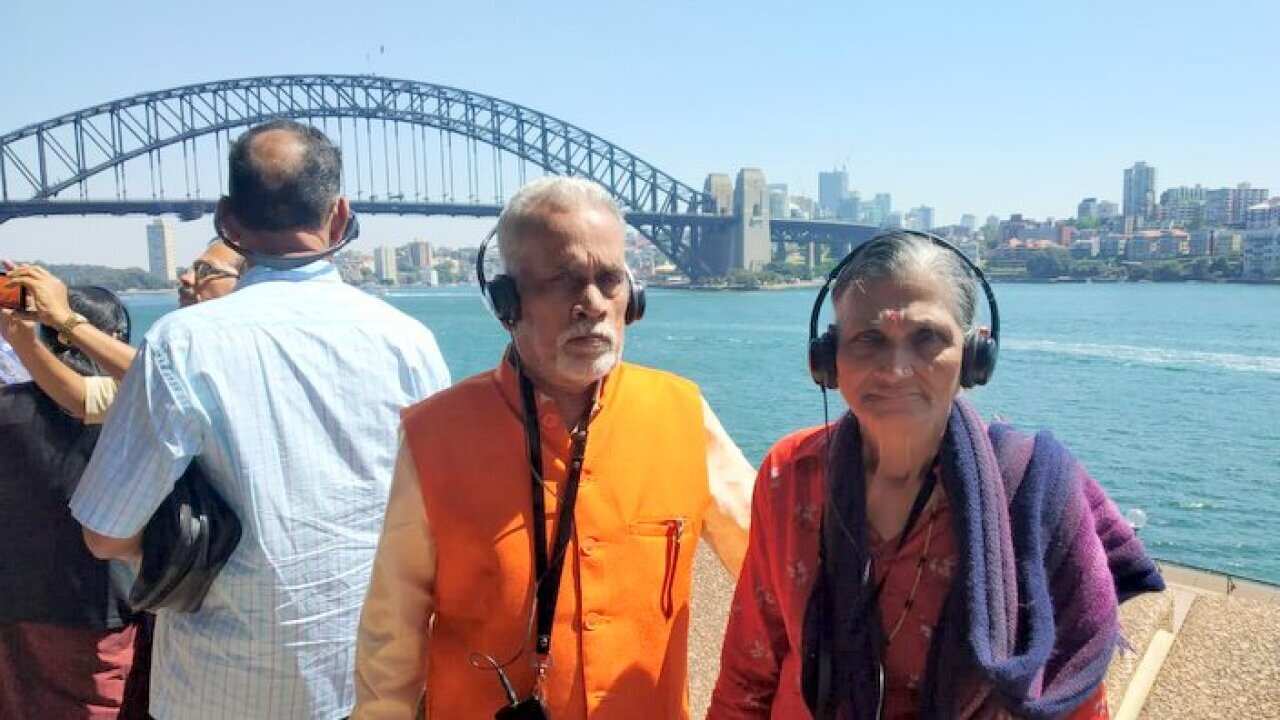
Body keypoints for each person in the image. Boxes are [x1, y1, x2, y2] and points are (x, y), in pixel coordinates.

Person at [69, 119, 451, 720]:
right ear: (340, 214)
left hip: (220, 689)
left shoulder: (181, 345)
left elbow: (106, 532)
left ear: (227, 221)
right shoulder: (410, 343)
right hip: (372, 685)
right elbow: (443, 518)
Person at [709, 230, 1164, 719]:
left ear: (973, 357)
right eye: (869, 339)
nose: (896, 368)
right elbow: (750, 667)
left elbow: (1071, 700)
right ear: (828, 361)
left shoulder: (1034, 497)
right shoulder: (789, 475)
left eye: (927, 338)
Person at [352, 176, 756, 719]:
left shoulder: (683, 413)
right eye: (562, 281)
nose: (591, 303)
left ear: (632, 298)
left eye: (609, 279)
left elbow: (771, 567)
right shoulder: (435, 435)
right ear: (507, 302)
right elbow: (390, 640)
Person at [0, 288, 140, 719]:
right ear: (113, 337)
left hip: (15, 605)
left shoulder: (8, 407)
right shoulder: (134, 410)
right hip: (103, 607)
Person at [2, 239, 243, 423]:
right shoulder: (186, 359)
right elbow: (83, 398)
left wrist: (63, 318)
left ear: (249, 282)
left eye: (205, 270)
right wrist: (20, 336)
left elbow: (159, 373)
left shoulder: (242, 355)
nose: (186, 277)